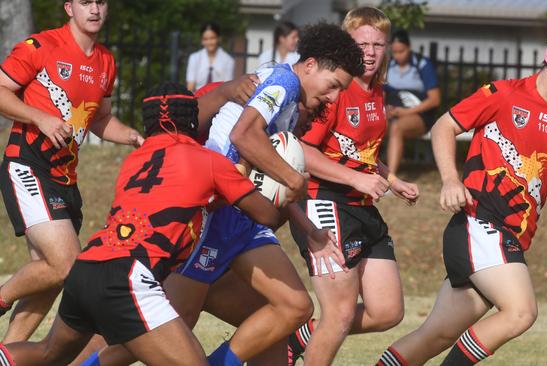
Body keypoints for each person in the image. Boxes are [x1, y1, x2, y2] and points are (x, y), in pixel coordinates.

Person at [79, 22, 365, 366]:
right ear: (310, 65)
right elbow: (244, 136)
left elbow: (265, 172)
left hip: (239, 215)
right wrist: (292, 178)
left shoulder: (288, 101)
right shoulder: (285, 82)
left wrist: (311, 231)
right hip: (214, 211)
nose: (333, 98)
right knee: (170, 324)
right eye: (333, 85)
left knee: (295, 307)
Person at [0, 81, 287, 366]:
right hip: (130, 276)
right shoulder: (208, 160)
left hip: (87, 267)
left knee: (49, 352)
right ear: (192, 119)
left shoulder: (134, 161)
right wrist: (266, 177)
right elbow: (267, 216)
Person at [375, 22, 547, 366]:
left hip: (507, 238)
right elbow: (444, 126)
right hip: (479, 223)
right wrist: (451, 181)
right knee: (521, 312)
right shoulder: (504, 93)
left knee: (435, 336)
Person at [0, 0, 143, 345]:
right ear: (68, 8)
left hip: (66, 178)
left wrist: (135, 138)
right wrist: (39, 117)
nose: (94, 9)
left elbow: (100, 119)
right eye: (85, 2)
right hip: (28, 164)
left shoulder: (106, 60)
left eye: (101, 2)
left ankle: (7, 354)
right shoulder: (40, 46)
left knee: (52, 274)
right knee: (66, 264)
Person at [286, 7, 420, 366]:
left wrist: (392, 179)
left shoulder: (377, 92)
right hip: (323, 201)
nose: (372, 52)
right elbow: (302, 150)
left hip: (361, 206)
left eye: (379, 43)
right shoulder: (336, 90)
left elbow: (361, 153)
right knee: (340, 313)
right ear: (348, 45)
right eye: (364, 43)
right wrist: (355, 178)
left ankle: (297, 337)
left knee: (387, 311)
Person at [385, 28, 440, 174]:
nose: (397, 56)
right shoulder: (388, 66)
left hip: (419, 115)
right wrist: (385, 109)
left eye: (401, 51)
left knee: (397, 127)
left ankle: (390, 179)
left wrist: (406, 112)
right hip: (393, 114)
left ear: (409, 48)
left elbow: (434, 100)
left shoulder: (423, 65)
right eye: (394, 52)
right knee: (371, 123)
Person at [186, 22, 235, 92]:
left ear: (218, 38)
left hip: (219, 98)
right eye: (205, 39)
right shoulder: (194, 58)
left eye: (212, 38)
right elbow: (190, 86)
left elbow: (228, 87)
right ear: (202, 41)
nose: (209, 42)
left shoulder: (228, 60)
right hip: (197, 98)